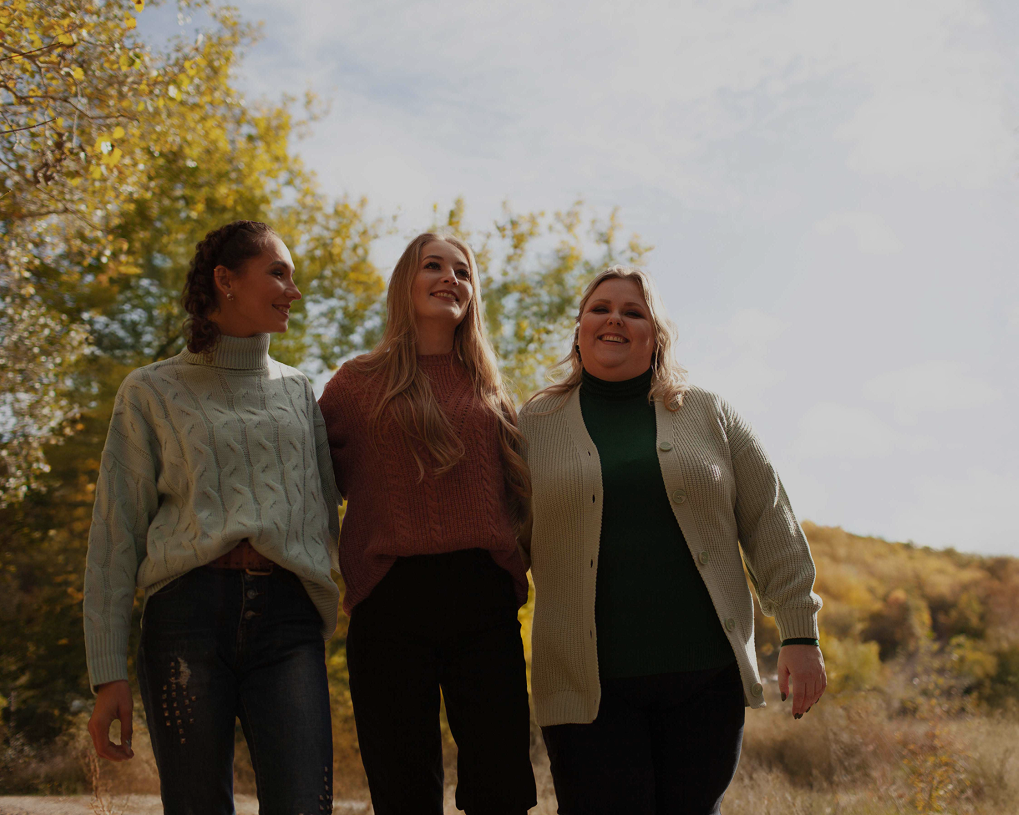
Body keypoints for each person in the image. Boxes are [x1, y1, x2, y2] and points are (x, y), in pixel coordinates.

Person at [521, 266, 827, 815]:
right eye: (601, 308)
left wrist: (800, 635)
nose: (615, 318)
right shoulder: (533, 424)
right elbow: (502, 535)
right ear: (578, 329)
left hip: (703, 678)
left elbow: (770, 521)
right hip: (585, 685)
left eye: (633, 312)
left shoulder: (709, 413)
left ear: (656, 335)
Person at [84, 220, 341, 815]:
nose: (293, 291)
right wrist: (107, 674)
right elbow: (115, 535)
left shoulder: (301, 391)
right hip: (185, 619)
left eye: (293, 277)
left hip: (288, 624)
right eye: (278, 273)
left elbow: (324, 511)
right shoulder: (150, 390)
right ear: (226, 280)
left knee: (306, 805)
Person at [317, 231, 537, 814]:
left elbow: (524, 496)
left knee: (502, 786)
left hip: (483, 596)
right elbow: (310, 488)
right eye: (433, 266)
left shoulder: (492, 390)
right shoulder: (356, 384)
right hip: (389, 597)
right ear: (403, 284)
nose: (450, 279)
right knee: (403, 787)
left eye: (462, 271)